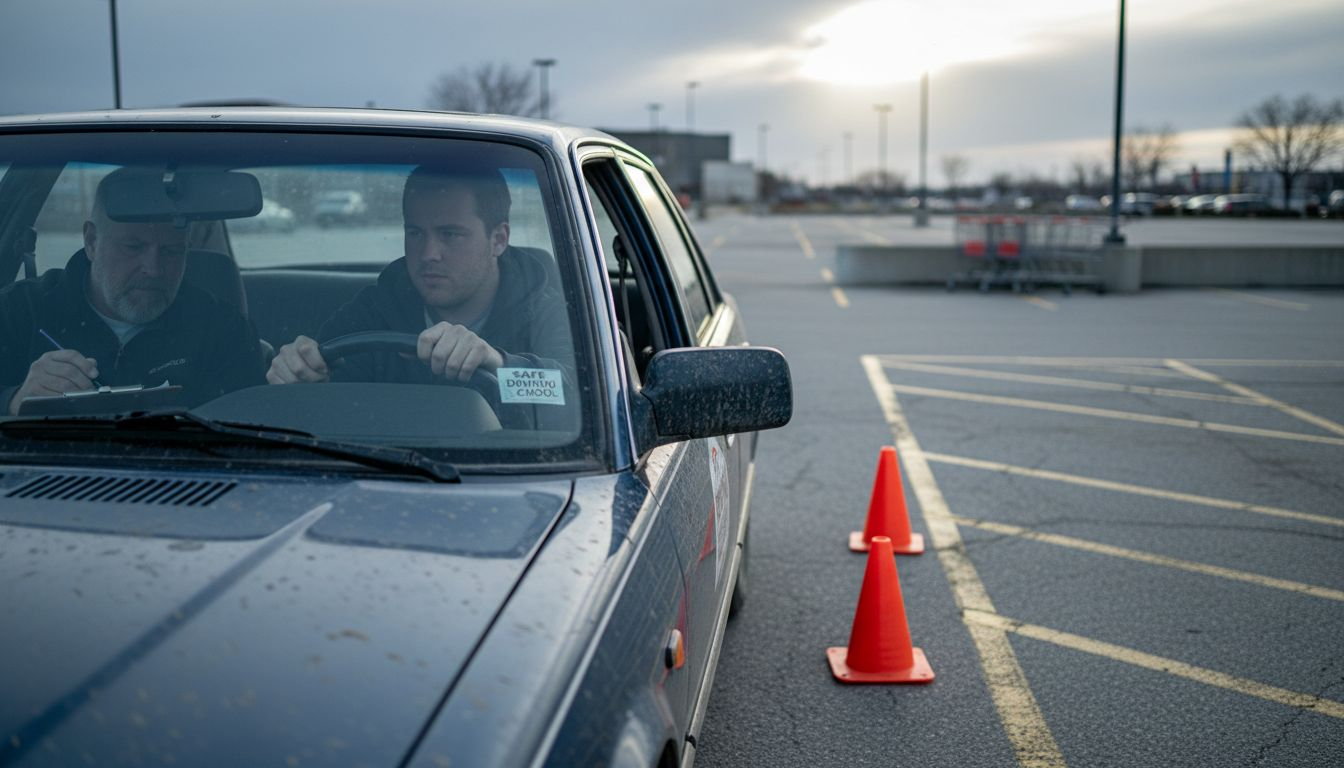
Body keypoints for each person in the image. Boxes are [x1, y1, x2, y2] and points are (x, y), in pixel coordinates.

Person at [266, 164, 574, 425]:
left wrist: (495, 362)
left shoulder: (547, 313)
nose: (428, 253)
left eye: (450, 234)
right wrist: (303, 379)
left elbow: (576, 397)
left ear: (498, 239)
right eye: (415, 233)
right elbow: (324, 411)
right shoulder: (373, 312)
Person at [0, 167, 265, 415]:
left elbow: (253, 423)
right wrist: (14, 399)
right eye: (133, 247)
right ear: (91, 241)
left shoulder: (222, 329)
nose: (153, 269)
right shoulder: (19, 310)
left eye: (171, 251)